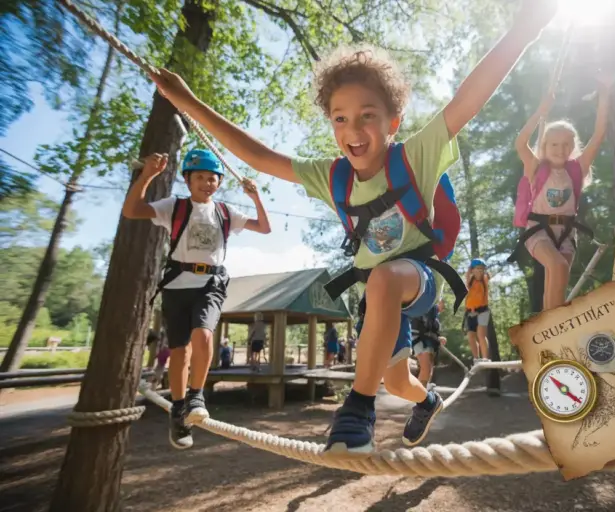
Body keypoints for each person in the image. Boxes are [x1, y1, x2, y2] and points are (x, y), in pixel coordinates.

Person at [149, 0, 558, 455]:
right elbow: (259, 156)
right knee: (397, 380)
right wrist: (184, 101)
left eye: (368, 114)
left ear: (393, 122)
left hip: (417, 279)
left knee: (384, 281)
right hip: (378, 298)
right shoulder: (334, 177)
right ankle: (428, 398)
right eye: (340, 118)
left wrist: (526, 29)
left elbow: (468, 98)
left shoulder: (414, 156)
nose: (353, 128)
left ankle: (357, 408)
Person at [122, 148, 271, 450]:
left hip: (210, 283)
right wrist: (148, 176)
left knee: (203, 336)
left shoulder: (226, 212)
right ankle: (178, 411)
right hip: (177, 285)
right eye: (200, 177)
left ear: (218, 182)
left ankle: (196, 396)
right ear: (188, 180)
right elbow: (132, 210)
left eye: (213, 178)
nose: (207, 183)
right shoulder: (174, 207)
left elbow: (264, 227)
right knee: (180, 352)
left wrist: (255, 197)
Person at [510, 73, 612, 311]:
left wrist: (604, 97)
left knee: (556, 287)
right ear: (545, 147)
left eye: (566, 144)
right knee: (557, 267)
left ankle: (550, 328)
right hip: (538, 231)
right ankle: (554, 325)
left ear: (572, 146)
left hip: (566, 233)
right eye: (554, 144)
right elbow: (520, 143)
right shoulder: (536, 168)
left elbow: (598, 135)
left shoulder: (577, 169)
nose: (560, 149)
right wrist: (540, 111)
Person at [411, 299, 446, 388]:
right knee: (426, 369)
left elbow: (431, 329)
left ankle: (424, 392)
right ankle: (419, 395)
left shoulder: (434, 317)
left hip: (428, 342)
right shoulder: (426, 308)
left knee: (429, 369)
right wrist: (437, 307)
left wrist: (438, 338)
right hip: (420, 339)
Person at [464, 259, 491, 364]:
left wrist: (484, 270)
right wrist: (469, 270)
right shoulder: (470, 281)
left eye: (481, 269)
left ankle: (485, 358)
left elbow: (488, 275)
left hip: (483, 310)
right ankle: (476, 358)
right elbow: (467, 276)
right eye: (477, 269)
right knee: (471, 336)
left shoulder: (484, 279)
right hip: (470, 312)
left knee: (481, 335)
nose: (479, 271)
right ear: (473, 270)